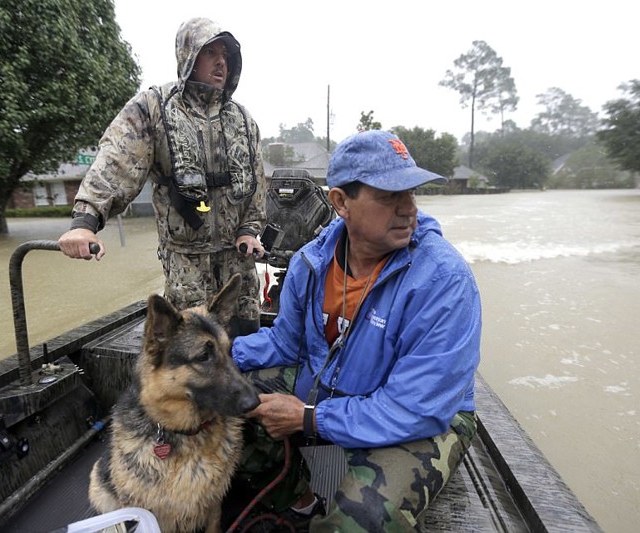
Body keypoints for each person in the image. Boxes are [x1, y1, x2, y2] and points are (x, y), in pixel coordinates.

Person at [231, 130, 482, 531]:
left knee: (360, 517)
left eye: (411, 194)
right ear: (341, 202)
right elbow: (285, 342)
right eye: (389, 196)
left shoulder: (443, 281)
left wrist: (309, 418)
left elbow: (416, 408)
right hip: (335, 384)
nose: (408, 210)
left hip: (426, 415)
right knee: (223, 408)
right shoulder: (310, 264)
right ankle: (300, 500)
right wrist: (219, 357)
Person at [58, 17, 266, 335]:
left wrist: (250, 231)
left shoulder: (243, 120)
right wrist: (84, 225)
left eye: (225, 53)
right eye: (211, 52)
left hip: (239, 272)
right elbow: (116, 162)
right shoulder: (155, 108)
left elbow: (257, 186)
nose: (221, 61)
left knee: (245, 350)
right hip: (187, 271)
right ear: (189, 57)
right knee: (192, 360)